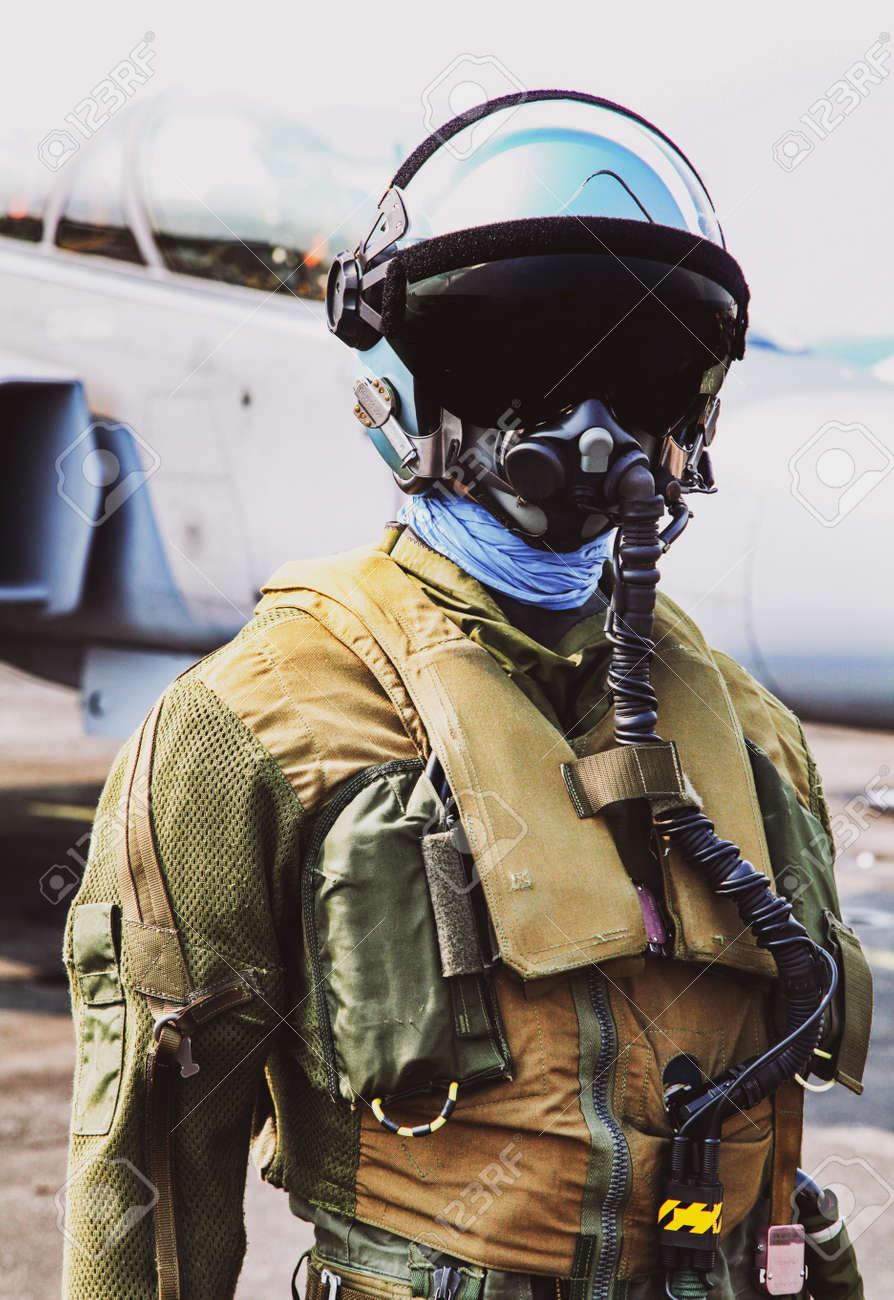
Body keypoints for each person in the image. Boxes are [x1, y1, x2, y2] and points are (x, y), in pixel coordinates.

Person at [62, 91, 872, 1300]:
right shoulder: (256, 723)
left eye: (633, 370)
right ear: (399, 381)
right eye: (515, 364)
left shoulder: (754, 738)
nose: (588, 431)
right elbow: (152, 1193)